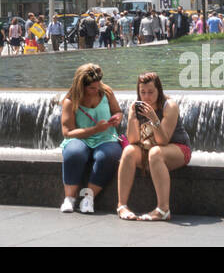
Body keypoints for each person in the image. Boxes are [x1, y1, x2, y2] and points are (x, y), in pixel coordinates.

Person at [115, 71, 190, 221]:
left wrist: (154, 118)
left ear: (159, 90)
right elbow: (133, 139)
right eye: (142, 92)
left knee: (156, 152)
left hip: (177, 149)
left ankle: (163, 210)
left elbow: (163, 141)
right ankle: (122, 206)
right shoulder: (136, 106)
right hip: (147, 149)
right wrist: (132, 118)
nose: (146, 96)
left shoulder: (169, 106)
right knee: (129, 151)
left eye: (150, 92)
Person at [59, 63, 123, 214]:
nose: (96, 90)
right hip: (80, 139)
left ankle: (88, 197)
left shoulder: (106, 92)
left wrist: (117, 118)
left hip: (106, 138)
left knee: (107, 156)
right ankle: (70, 198)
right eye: (92, 88)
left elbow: (118, 111)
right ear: (81, 87)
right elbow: (67, 132)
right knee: (74, 153)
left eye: (98, 86)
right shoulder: (70, 101)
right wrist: (94, 129)